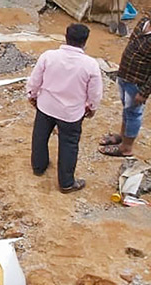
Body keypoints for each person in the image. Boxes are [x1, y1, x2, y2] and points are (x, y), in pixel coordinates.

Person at [27, 23, 102, 193]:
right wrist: (92, 107)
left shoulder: (48, 56)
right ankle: (66, 183)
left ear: (66, 37)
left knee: (39, 137)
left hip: (46, 106)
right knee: (68, 145)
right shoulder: (90, 65)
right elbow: (95, 92)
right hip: (71, 113)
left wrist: (32, 95)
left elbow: (35, 80)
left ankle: (39, 166)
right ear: (85, 42)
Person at [100, 17, 151, 157]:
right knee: (127, 109)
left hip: (137, 82)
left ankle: (126, 148)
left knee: (134, 113)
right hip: (124, 76)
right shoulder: (143, 23)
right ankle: (123, 137)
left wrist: (144, 92)